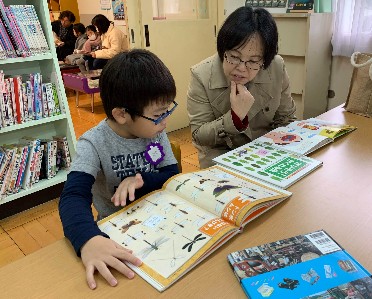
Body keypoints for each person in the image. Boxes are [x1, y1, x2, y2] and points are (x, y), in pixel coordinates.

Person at [59, 49, 179, 289]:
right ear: (121, 114)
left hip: (160, 219)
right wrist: (88, 240)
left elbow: (171, 175)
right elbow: (72, 197)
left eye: (168, 111)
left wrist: (141, 180)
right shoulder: (93, 143)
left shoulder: (155, 131)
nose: (165, 122)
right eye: (158, 115)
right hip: (116, 229)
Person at [187, 7, 296, 168]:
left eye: (253, 61)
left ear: (265, 60)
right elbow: (199, 136)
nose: (241, 68)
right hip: (222, 156)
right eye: (234, 57)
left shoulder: (276, 67)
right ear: (223, 50)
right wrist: (235, 118)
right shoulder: (201, 75)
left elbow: (286, 119)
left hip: (267, 152)